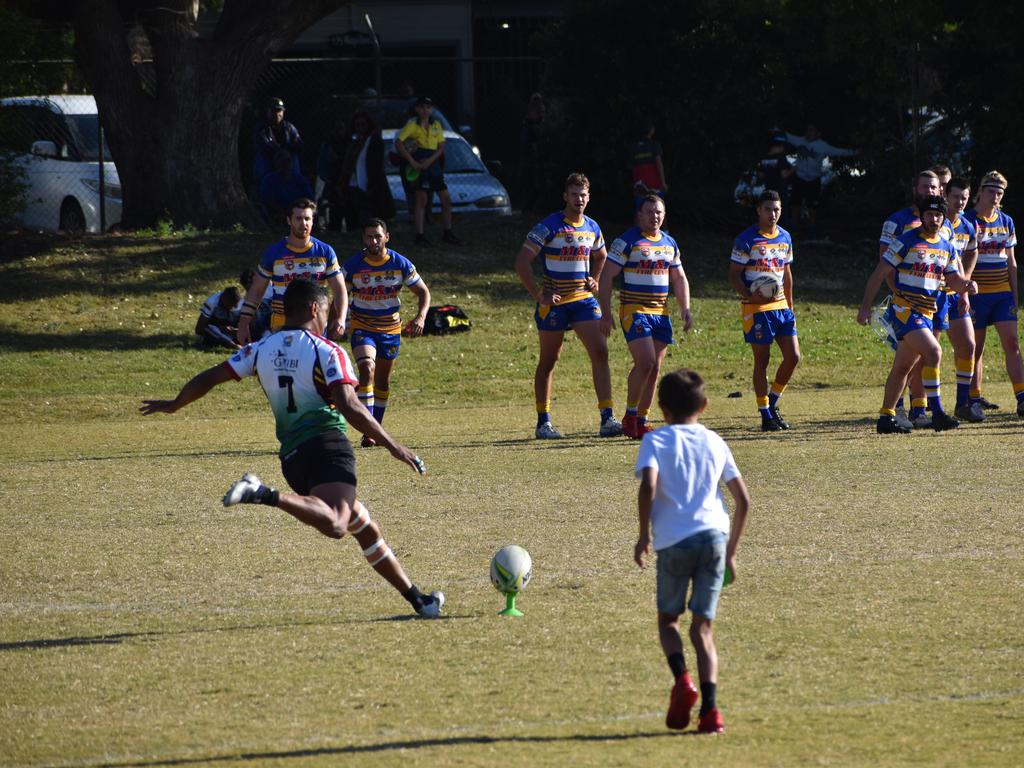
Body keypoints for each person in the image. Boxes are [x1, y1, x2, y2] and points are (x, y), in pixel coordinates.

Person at [140, 278, 444, 619]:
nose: (329, 320)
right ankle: (262, 493)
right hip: (328, 447)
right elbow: (349, 404)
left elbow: (209, 377)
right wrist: (393, 445)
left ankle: (419, 600)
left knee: (364, 526)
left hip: (293, 458)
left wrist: (175, 404)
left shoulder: (261, 349)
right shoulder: (327, 351)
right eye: (327, 311)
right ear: (315, 309)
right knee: (337, 524)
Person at [633, 368, 750, 734]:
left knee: (669, 622)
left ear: (661, 408)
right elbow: (743, 501)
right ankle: (712, 712)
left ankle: (682, 680)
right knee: (703, 629)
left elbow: (648, 485)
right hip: (715, 536)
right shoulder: (716, 441)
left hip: (673, 540)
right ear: (705, 404)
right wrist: (730, 552)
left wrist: (642, 534)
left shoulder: (655, 441)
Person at [857, 195, 978, 433]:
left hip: (926, 311)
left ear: (944, 218)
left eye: (938, 215)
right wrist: (864, 307)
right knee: (934, 351)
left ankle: (885, 418)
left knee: (903, 367)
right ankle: (939, 413)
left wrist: (967, 285)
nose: (934, 219)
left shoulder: (947, 247)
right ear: (921, 216)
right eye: (929, 214)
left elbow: (953, 279)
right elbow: (880, 273)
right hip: (904, 309)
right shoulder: (906, 241)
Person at [515, 172, 622, 439]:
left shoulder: (592, 227)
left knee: (600, 351)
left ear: (589, 197)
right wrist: (539, 295)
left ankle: (607, 419)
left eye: (583, 194)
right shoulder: (549, 226)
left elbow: (602, 256)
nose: (579, 199)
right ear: (565, 196)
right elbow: (521, 263)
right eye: (574, 194)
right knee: (550, 360)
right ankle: (543, 422)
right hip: (555, 303)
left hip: (582, 300)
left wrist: (595, 280)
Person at [598, 194, 693, 439]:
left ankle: (641, 419)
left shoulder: (670, 243)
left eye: (658, 212)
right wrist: (606, 313)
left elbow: (679, 278)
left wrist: (685, 308)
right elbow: (606, 276)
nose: (654, 216)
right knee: (646, 362)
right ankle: (630, 416)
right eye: (649, 212)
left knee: (654, 368)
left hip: (660, 312)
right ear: (639, 215)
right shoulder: (627, 242)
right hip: (634, 310)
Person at [342, 218, 430, 448]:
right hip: (362, 327)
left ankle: (374, 429)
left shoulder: (400, 264)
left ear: (387, 237)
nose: (374, 240)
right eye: (369, 236)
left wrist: (421, 317)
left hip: (391, 329)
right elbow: (339, 296)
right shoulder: (353, 266)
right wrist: (337, 321)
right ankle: (369, 430)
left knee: (382, 382)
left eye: (378, 236)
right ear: (363, 238)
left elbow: (423, 292)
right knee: (366, 368)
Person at [728, 190, 801, 431]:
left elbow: (786, 274)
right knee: (763, 360)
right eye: (768, 209)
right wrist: (750, 295)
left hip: (781, 307)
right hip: (756, 308)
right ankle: (764, 414)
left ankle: (773, 403)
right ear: (758, 210)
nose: (773, 214)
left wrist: (790, 307)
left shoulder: (785, 238)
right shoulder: (746, 239)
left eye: (777, 209)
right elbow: (734, 275)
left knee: (793, 357)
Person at [878, 170, 945, 429]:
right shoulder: (897, 221)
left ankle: (916, 409)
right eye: (925, 186)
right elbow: (884, 261)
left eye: (934, 187)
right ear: (914, 188)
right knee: (926, 353)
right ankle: (906, 409)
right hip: (907, 301)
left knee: (919, 358)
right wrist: (897, 290)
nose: (929, 191)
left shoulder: (943, 221)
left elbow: (950, 260)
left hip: (936, 300)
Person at [237, 198, 347, 345]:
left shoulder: (325, 252)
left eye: (307, 218)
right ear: (289, 220)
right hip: (281, 326)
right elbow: (256, 291)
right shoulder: (274, 253)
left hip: (316, 326)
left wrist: (340, 318)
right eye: (299, 218)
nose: (304, 223)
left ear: (313, 220)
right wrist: (243, 324)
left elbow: (340, 290)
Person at [964, 170, 1024, 417]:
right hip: (977, 294)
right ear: (980, 191)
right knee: (976, 348)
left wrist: (1015, 295)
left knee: (1012, 342)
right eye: (991, 191)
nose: (995, 197)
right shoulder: (969, 221)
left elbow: (1012, 262)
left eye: (1000, 193)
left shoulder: (1006, 221)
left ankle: (1021, 398)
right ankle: (974, 398)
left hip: (1001, 294)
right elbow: (960, 259)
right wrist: (963, 292)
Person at [395, 96, 461, 246]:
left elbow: (441, 147)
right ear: (417, 109)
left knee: (445, 198)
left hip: (433, 162)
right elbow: (399, 143)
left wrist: (430, 161)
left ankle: (447, 231)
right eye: (422, 107)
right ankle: (420, 234)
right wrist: (412, 162)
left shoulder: (436, 125)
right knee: (421, 199)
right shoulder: (413, 125)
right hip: (420, 160)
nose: (425, 110)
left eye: (428, 107)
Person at [943, 177, 983, 422]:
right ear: (946, 195)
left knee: (968, 345)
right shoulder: (935, 221)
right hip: (934, 294)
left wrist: (964, 287)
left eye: (964, 198)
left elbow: (971, 253)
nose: (959, 202)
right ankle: (920, 406)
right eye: (956, 196)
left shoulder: (968, 226)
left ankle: (962, 403)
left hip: (954, 295)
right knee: (926, 351)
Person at [319, 110, 396, 232]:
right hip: (354, 184)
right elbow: (347, 165)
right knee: (354, 214)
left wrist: (373, 185)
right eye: (357, 125)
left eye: (363, 124)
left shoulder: (374, 141)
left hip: (369, 184)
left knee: (371, 213)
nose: (360, 128)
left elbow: (376, 166)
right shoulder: (354, 143)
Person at [782, 123, 856, 230]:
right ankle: (794, 224)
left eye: (812, 130)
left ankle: (811, 226)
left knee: (813, 204)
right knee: (795, 202)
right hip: (799, 177)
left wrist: (857, 152)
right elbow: (786, 136)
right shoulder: (799, 141)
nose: (809, 133)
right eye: (808, 130)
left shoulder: (822, 146)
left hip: (814, 179)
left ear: (818, 134)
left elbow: (839, 151)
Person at [253, 96, 302, 184]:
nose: (276, 114)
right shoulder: (261, 129)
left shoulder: (289, 128)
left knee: (293, 159)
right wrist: (280, 153)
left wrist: (286, 154)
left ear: (283, 112)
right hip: (268, 167)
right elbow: (263, 148)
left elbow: (298, 145)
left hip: (288, 166)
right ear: (268, 111)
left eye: (279, 110)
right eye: (273, 110)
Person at [258, 149, 315, 223]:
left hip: (298, 211)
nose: (285, 164)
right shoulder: (269, 179)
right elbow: (266, 199)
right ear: (276, 163)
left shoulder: (300, 180)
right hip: (277, 213)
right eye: (282, 161)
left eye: (288, 161)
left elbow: (309, 198)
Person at [517, 93, 548, 217]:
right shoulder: (531, 125)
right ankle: (529, 210)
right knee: (534, 186)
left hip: (533, 160)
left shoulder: (529, 124)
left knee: (533, 186)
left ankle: (530, 209)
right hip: (532, 160)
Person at [628, 123, 667, 202]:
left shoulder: (633, 147)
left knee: (641, 206)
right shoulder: (654, 145)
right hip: (654, 183)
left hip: (639, 183)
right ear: (652, 130)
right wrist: (663, 182)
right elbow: (658, 163)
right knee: (656, 206)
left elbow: (631, 167)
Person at [195, 284, 242, 349]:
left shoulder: (242, 303)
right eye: (229, 305)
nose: (231, 308)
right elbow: (199, 328)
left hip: (232, 334)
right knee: (209, 328)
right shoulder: (212, 302)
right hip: (215, 333)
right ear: (223, 300)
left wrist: (235, 331)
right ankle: (233, 345)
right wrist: (221, 329)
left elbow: (245, 326)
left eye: (234, 306)